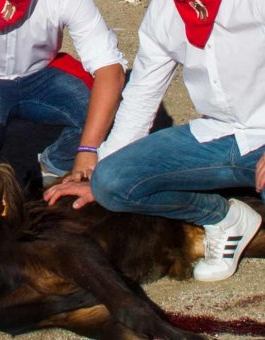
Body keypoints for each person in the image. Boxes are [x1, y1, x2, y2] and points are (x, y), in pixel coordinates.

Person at [44, 0, 264, 282]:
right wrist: (98, 176)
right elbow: (142, 96)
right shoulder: (164, 11)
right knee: (111, 182)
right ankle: (224, 218)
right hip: (216, 133)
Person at [0, 0, 126, 185]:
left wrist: (88, 149)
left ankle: (52, 166)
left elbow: (109, 67)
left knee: (107, 112)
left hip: (40, 74)